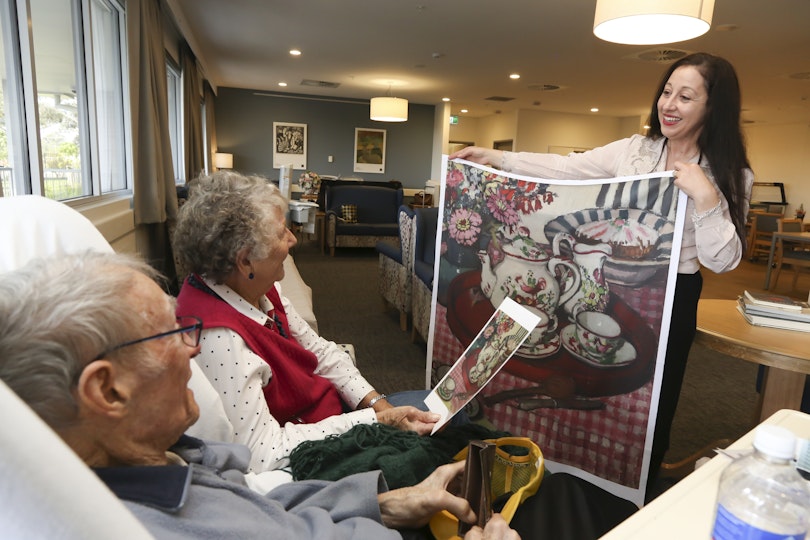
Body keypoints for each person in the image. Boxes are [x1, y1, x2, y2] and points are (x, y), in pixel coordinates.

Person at [0, 251, 521, 539]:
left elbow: (262, 498)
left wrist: (385, 503)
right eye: (169, 335)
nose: (191, 350)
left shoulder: (164, 460)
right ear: (107, 389)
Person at [450, 52, 753, 497]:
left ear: (713, 107)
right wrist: (495, 157)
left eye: (686, 97)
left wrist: (708, 199)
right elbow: (567, 169)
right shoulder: (635, 152)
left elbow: (723, 261)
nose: (669, 104)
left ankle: (633, 493)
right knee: (585, 377)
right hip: (598, 280)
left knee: (652, 404)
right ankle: (568, 475)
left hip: (673, 295)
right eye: (667, 91)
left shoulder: (729, 174)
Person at [173, 171, 438, 473]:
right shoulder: (217, 337)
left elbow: (321, 352)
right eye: (281, 232)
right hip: (320, 454)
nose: (293, 239)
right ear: (245, 260)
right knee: (443, 435)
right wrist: (375, 421)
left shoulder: (256, 288)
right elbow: (263, 454)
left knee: (444, 410)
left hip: (339, 418)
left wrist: (378, 404)